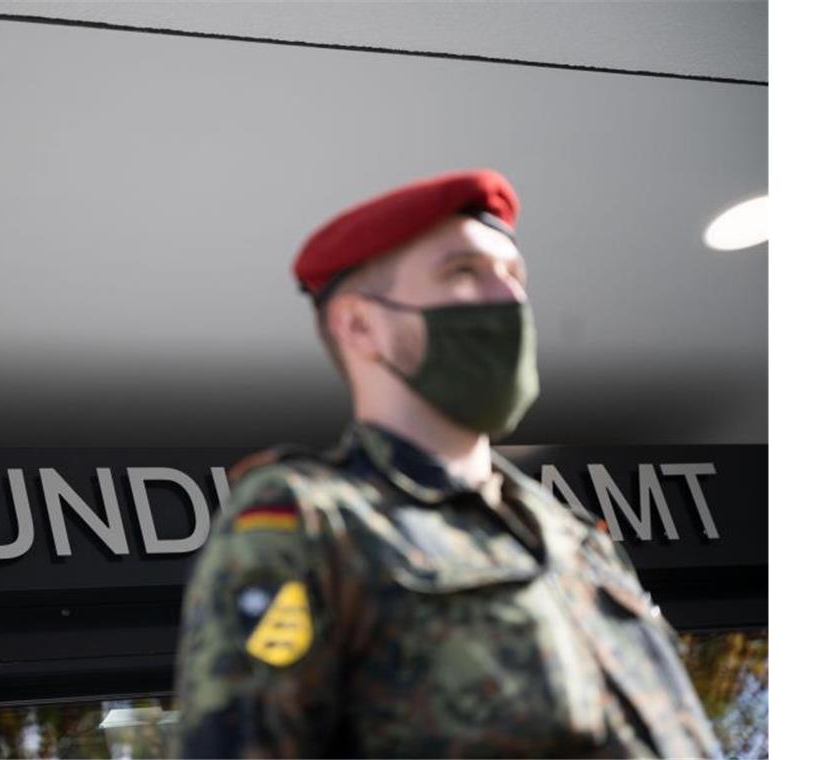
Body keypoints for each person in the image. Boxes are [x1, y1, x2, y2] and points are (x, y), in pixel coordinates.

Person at [171, 169, 720, 758]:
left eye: (513, 275)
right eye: (462, 273)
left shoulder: (572, 536)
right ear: (360, 325)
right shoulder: (314, 521)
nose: (507, 298)